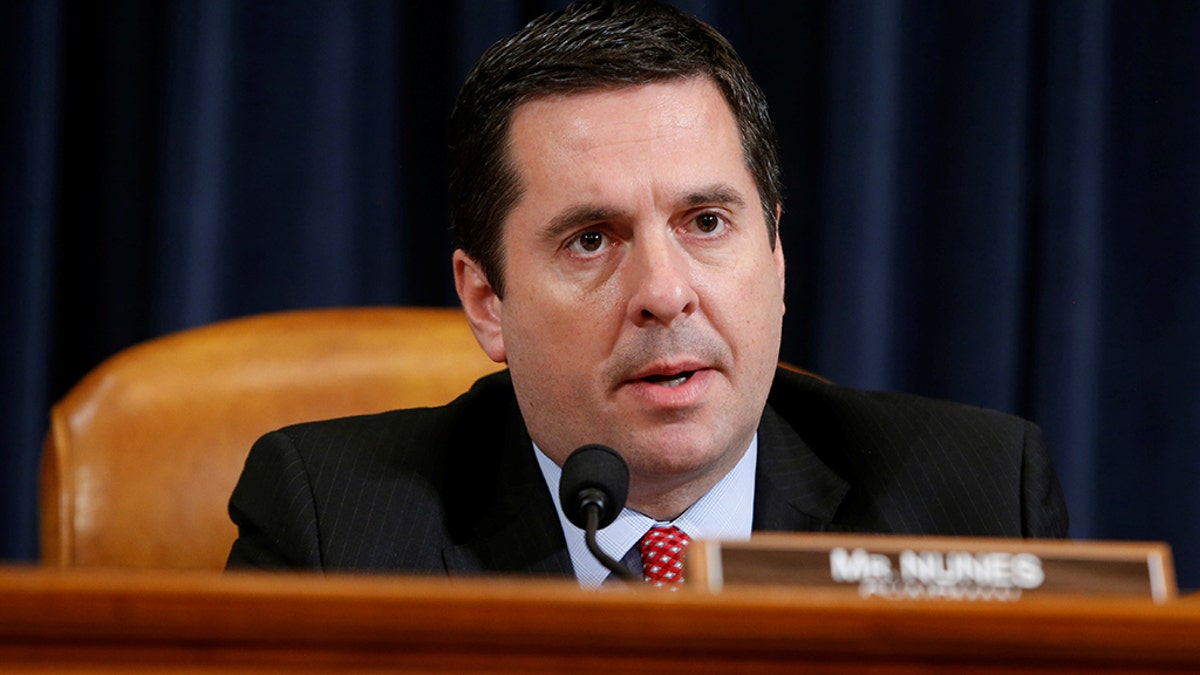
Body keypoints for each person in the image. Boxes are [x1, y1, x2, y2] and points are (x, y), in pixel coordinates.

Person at [225, 0, 1068, 586]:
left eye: (705, 222)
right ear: (488, 302)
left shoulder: (978, 498)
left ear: (776, 255)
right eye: (591, 240)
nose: (665, 294)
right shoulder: (333, 522)